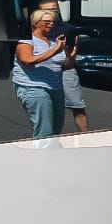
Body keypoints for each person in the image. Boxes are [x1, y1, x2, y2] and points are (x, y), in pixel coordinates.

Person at [12, 8, 70, 138]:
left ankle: (51, 155)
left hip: (56, 88)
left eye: (52, 22)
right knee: (45, 131)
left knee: (56, 129)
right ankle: (41, 156)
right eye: (47, 22)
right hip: (34, 87)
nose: (51, 24)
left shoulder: (55, 41)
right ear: (35, 22)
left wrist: (71, 55)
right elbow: (27, 60)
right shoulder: (27, 41)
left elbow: (66, 66)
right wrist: (55, 51)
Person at [38, 0, 88, 133]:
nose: (52, 12)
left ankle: (85, 139)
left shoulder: (69, 29)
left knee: (77, 105)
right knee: (48, 108)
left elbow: (71, 53)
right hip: (45, 71)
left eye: (54, 9)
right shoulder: (36, 29)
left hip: (66, 70)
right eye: (47, 10)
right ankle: (50, 141)